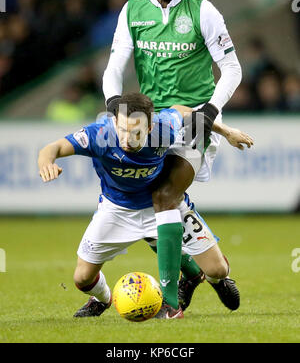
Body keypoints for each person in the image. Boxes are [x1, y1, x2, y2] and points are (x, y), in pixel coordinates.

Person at [102, 0, 243, 314]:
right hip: (150, 122)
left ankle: (168, 301)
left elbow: (232, 68)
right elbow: (115, 65)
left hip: (195, 118)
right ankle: (201, 272)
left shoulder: (203, 10)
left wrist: (211, 112)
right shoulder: (133, 10)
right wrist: (114, 105)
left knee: (163, 195)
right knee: (142, 196)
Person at [38, 93, 253, 319]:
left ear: (150, 127)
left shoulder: (164, 128)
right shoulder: (99, 134)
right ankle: (102, 299)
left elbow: (186, 112)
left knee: (217, 270)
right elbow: (53, 147)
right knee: (82, 279)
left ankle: (179, 294)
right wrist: (46, 162)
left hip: (161, 206)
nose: (127, 139)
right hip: (116, 210)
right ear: (114, 122)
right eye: (122, 129)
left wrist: (227, 132)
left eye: (136, 132)